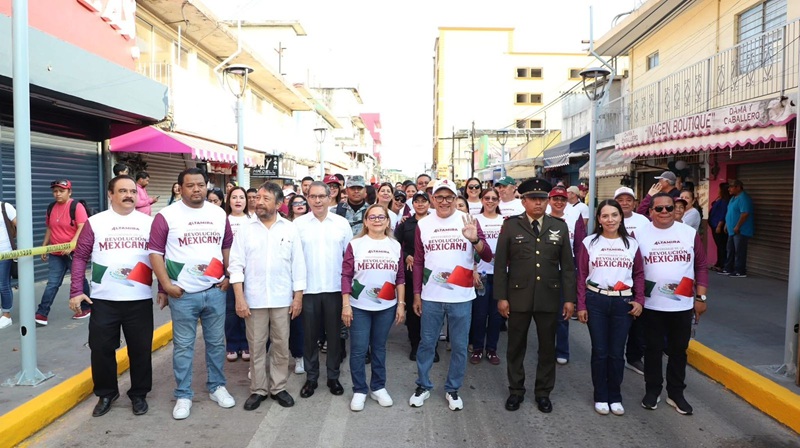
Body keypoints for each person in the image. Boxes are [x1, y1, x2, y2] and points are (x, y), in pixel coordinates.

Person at [148, 168, 236, 420]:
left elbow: (227, 246)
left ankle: (217, 386)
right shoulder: (166, 215)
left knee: (216, 343)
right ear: (180, 188)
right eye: (190, 185)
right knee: (184, 346)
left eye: (201, 184)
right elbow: (155, 253)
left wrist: (228, 276)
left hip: (215, 290)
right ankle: (183, 394)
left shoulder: (218, 213)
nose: (196, 189)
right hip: (183, 294)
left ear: (207, 186)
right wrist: (166, 285)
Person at [68, 175, 154, 417]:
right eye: (123, 191)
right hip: (104, 299)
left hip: (139, 298)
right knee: (101, 349)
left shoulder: (149, 223)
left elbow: (161, 256)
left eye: (133, 192)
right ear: (110, 194)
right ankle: (106, 393)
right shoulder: (95, 222)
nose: (129, 195)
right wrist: (76, 291)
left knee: (140, 350)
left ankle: (139, 394)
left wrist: (164, 289)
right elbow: (80, 257)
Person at [493, 177, 576, 413]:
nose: (538, 203)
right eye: (533, 199)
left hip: (549, 296)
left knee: (547, 347)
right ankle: (516, 390)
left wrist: (569, 299)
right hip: (517, 297)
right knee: (515, 346)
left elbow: (567, 267)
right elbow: (500, 265)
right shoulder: (511, 226)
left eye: (542, 199)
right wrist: (502, 297)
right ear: (524, 201)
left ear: (547, 201)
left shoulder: (559, 227)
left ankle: (543, 392)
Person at [409, 179, 492, 411]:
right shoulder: (423, 224)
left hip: (461, 297)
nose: (444, 202)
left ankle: (453, 389)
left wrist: (475, 239)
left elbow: (487, 256)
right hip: (431, 296)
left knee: (459, 346)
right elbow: (418, 261)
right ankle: (423, 385)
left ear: (456, 199)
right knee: (427, 343)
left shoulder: (469, 220)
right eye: (439, 197)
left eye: (449, 197)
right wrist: (416, 294)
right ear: (432, 199)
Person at [229, 182, 305, 411]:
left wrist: (298, 297)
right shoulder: (245, 229)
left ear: (279, 204)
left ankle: (278, 388)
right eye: (258, 197)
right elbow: (236, 265)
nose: (259, 202)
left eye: (266, 198)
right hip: (254, 299)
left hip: (282, 299)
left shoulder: (289, 229)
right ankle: (258, 389)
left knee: (281, 345)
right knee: (256, 346)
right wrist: (239, 298)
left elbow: (298, 265)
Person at [637, 192, 708, 415]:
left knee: (678, 351)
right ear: (651, 211)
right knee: (652, 350)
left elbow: (701, 266)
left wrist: (701, 298)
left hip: (682, 305)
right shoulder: (639, 234)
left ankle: (676, 394)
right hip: (651, 305)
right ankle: (652, 390)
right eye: (659, 208)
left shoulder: (688, 233)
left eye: (669, 207)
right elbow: (634, 269)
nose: (665, 212)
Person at [576, 200, 645, 416]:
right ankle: (600, 395)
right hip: (595, 301)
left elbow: (639, 274)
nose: (610, 220)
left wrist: (639, 300)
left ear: (621, 217)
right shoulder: (589, 242)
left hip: (622, 303)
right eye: (605, 216)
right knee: (600, 351)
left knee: (616, 353)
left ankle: (615, 396)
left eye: (614, 215)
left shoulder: (631, 244)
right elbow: (581, 275)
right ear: (598, 219)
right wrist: (581, 305)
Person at [341, 204, 405, 411]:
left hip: (386, 306)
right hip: (359, 306)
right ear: (366, 222)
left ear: (387, 221)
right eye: (372, 217)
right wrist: (346, 305)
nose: (377, 220)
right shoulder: (356, 244)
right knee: (359, 350)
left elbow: (400, 277)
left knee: (379, 348)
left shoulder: (395, 245)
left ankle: (378, 387)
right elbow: (346, 275)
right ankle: (359, 389)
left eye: (381, 217)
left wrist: (401, 304)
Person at [294, 181, 353, 398]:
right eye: (313, 196)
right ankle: (311, 378)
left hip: (334, 289)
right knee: (309, 337)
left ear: (330, 198)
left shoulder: (341, 224)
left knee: (335, 337)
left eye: (321, 196)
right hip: (308, 290)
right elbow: (293, 259)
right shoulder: (298, 225)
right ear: (307, 198)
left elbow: (349, 259)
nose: (317, 200)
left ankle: (333, 377)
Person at [35, 179, 91, 325]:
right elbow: (49, 228)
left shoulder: (76, 206)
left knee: (79, 279)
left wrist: (72, 244)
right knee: (52, 283)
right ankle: (42, 313)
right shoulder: (51, 207)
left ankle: (86, 307)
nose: (58, 194)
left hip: (74, 253)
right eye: (55, 191)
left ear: (69, 192)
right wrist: (44, 246)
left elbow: (82, 226)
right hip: (56, 253)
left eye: (61, 191)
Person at [546, 186, 586, 366]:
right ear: (549, 200)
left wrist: (578, 271)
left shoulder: (574, 216)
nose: (559, 202)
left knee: (563, 312)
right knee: (545, 313)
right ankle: (546, 349)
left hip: (565, 271)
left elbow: (579, 246)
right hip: (546, 271)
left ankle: (562, 350)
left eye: (562, 199)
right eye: (555, 199)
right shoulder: (543, 217)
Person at [614, 186, 650, 376]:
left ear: (635, 203)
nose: (625, 203)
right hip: (617, 277)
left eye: (628, 200)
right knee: (618, 319)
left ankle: (634, 357)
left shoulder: (643, 221)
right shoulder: (610, 219)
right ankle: (615, 355)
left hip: (639, 274)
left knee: (639, 319)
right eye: (620, 200)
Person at [394, 191, 431, 361]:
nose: (420, 204)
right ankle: (415, 345)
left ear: (429, 203)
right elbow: (394, 244)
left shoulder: (434, 222)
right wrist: (406, 255)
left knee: (431, 311)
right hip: (410, 274)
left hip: (430, 274)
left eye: (424, 201)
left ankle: (431, 346)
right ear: (413, 204)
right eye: (417, 201)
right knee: (413, 311)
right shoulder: (405, 223)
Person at [470, 188, 504, 365]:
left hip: (500, 275)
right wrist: (474, 269)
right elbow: (470, 247)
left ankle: (492, 349)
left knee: (496, 315)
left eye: (494, 198)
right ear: (482, 200)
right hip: (481, 274)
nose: (490, 201)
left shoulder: (505, 221)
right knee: (479, 315)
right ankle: (477, 349)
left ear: (498, 201)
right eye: (487, 198)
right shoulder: (474, 220)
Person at [224, 187, 251, 363]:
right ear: (229, 201)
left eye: (242, 197)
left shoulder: (252, 221)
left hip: (249, 274)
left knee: (247, 309)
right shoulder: (223, 220)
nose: (238, 200)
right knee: (231, 311)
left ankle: (247, 344)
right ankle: (232, 345)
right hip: (229, 273)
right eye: (234, 197)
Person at [287, 194, 309, 373]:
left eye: (303, 202)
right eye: (296, 203)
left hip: (303, 279)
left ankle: (299, 357)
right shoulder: (285, 225)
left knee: (297, 322)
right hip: (284, 279)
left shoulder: (312, 224)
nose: (300, 205)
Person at [723, 179, 754, 278]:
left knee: (739, 251)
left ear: (738, 187)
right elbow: (730, 212)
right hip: (731, 230)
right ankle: (728, 268)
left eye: (731, 187)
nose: (729, 189)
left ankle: (740, 271)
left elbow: (745, 214)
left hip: (740, 230)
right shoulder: (733, 198)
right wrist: (726, 224)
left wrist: (737, 226)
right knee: (730, 250)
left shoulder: (743, 198)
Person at [0, 199, 16, 329]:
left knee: (3, 284)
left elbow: (21, 226)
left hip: (5, 253)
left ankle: (6, 315)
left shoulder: (5, 207)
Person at [708, 183, 730, 272]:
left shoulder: (724, 201)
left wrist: (719, 225)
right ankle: (719, 263)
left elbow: (723, 214)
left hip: (718, 226)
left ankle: (722, 264)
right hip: (714, 224)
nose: (718, 190)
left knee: (722, 246)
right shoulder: (720, 198)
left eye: (719, 189)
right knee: (719, 245)